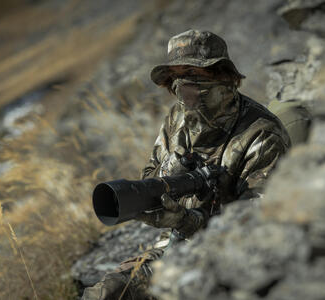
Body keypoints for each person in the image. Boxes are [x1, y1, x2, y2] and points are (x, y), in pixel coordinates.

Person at [82, 29, 291, 300]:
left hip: (231, 265)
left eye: (195, 77)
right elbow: (150, 175)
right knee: (106, 293)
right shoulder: (177, 118)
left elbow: (259, 235)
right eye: (177, 80)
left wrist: (187, 222)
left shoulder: (260, 135)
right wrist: (172, 171)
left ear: (224, 78)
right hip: (176, 251)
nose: (185, 89)